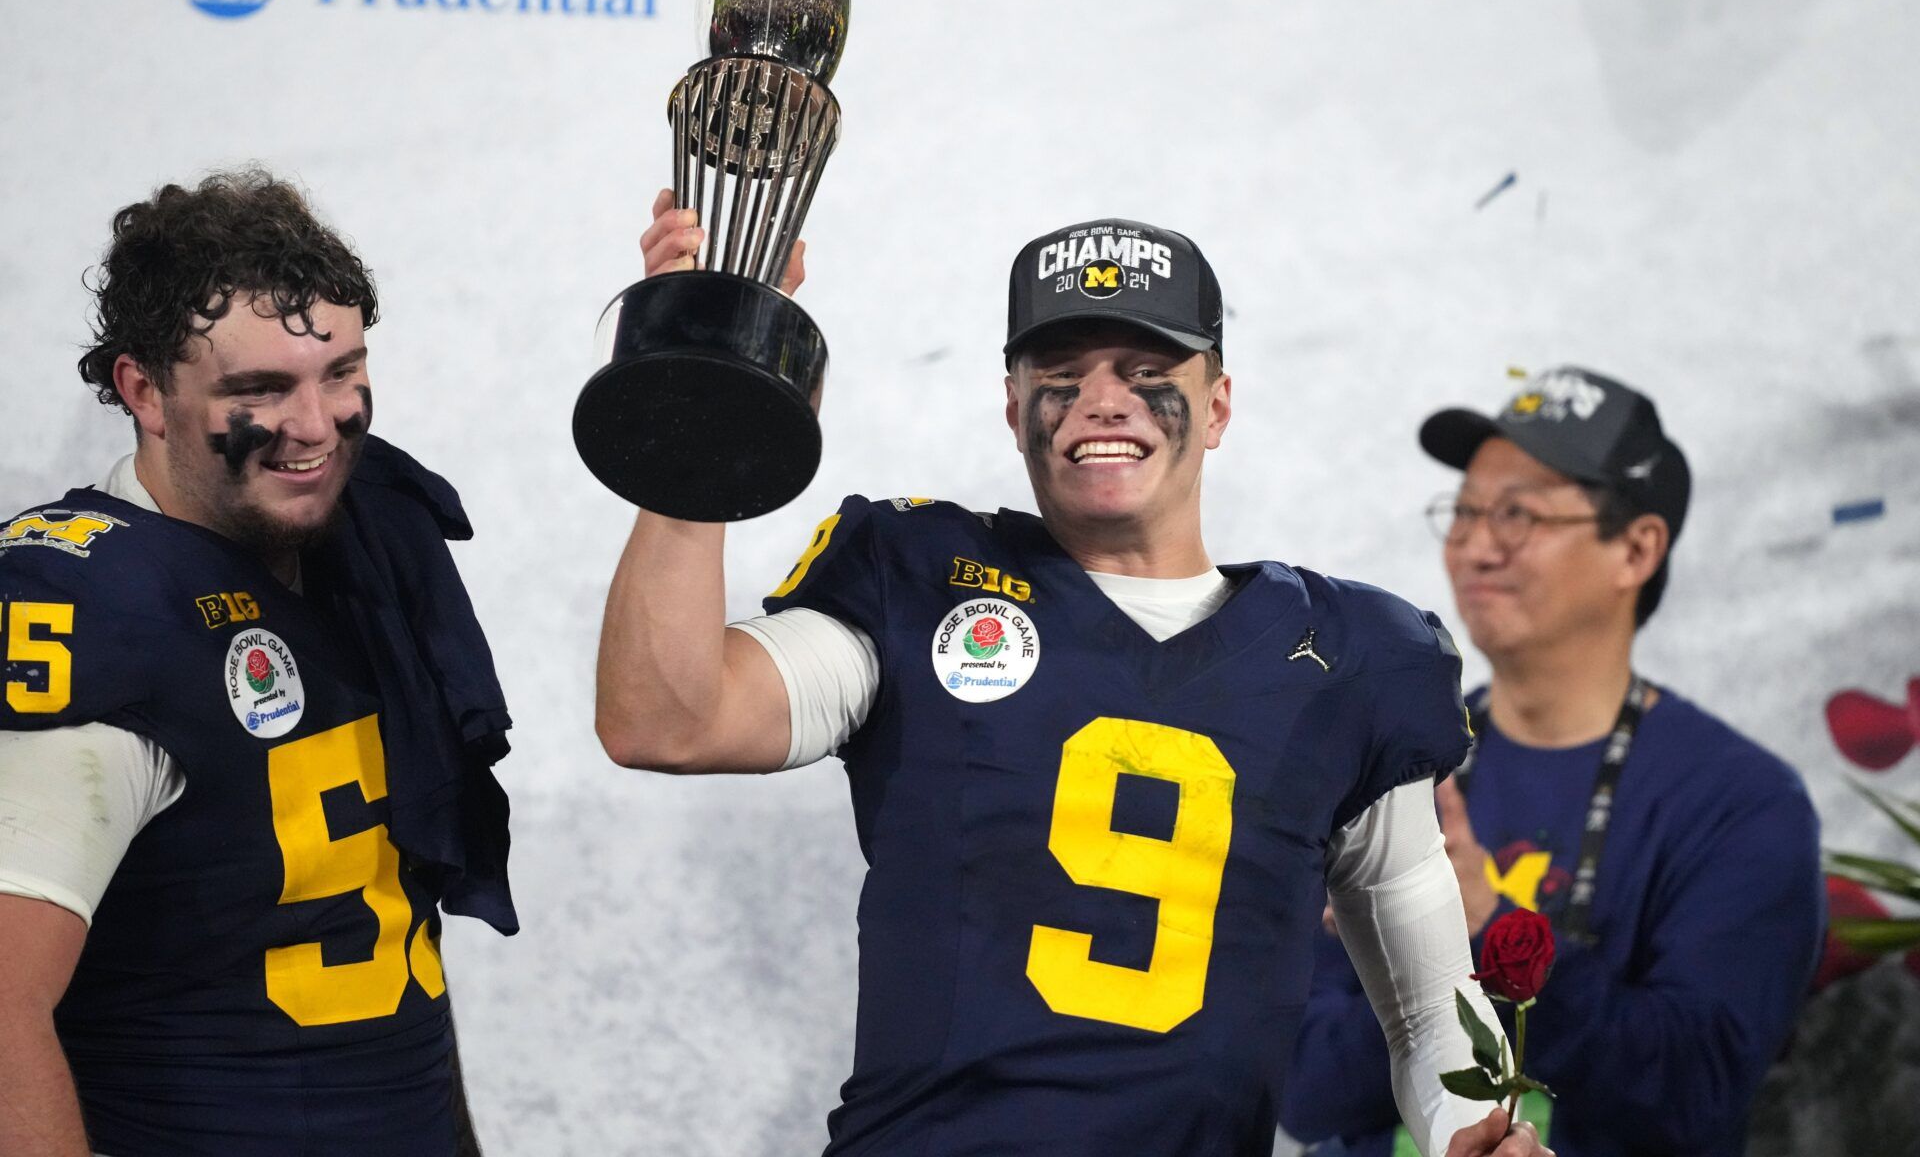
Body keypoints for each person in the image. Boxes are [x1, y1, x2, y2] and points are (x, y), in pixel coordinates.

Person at [594, 194, 1553, 1157]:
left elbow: (1432, 1013)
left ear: (1217, 404)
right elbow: (665, 720)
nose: (1103, 399)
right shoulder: (919, 580)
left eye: (1146, 370)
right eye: (1061, 372)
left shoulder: (1349, 661)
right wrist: (698, 415)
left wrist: (1473, 1135)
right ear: (1012, 405)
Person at [0, 170, 518, 1156]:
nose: (317, 425)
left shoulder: (373, 538)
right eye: (261, 389)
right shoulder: (87, 602)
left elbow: (395, 922)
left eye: (341, 372)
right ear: (144, 390)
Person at [1282, 367, 1824, 1157]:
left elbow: (1692, 1098)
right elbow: (1309, 1090)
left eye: (1518, 514)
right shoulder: (1391, 768)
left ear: (1635, 550)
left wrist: (1481, 928)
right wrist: (1412, 943)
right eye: (1463, 512)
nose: (1474, 543)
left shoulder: (1743, 802)